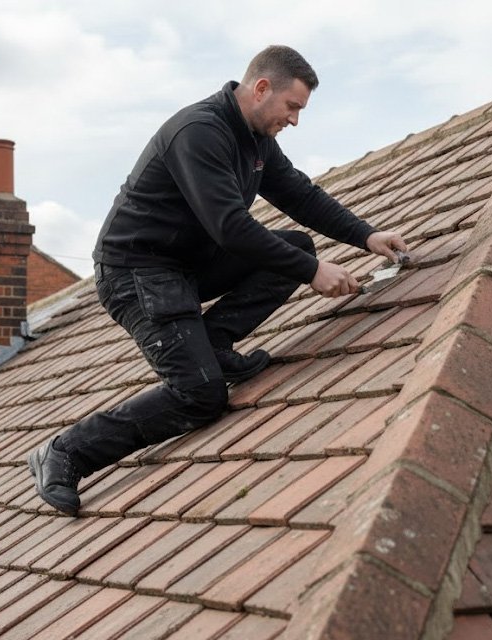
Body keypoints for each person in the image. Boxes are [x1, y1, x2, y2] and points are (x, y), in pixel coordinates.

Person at [29, 45, 407, 515]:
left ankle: (215, 345)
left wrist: (366, 236)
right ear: (261, 88)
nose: (294, 121)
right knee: (199, 395)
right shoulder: (200, 132)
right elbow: (230, 226)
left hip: (187, 265)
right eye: (292, 108)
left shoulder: (255, 140)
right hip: (137, 273)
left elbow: (300, 197)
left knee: (296, 248)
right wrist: (312, 274)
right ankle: (66, 451)